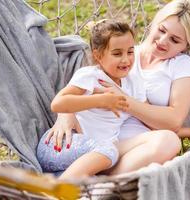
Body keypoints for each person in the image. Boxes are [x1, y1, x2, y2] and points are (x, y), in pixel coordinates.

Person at [41, 0, 190, 176]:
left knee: (166, 142)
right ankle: (69, 186)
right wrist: (66, 114)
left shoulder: (174, 66)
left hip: (119, 147)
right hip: (86, 143)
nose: (163, 41)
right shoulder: (121, 55)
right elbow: (70, 96)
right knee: (108, 150)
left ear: (186, 46)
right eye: (162, 30)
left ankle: (97, 183)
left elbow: (171, 121)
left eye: (175, 40)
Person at [37, 19, 147, 179]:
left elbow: (149, 118)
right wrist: (101, 100)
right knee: (110, 150)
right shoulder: (91, 76)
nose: (126, 59)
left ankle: (53, 183)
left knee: (95, 178)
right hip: (59, 146)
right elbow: (58, 104)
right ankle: (55, 193)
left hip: (86, 157)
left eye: (130, 52)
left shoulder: (133, 84)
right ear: (98, 55)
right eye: (117, 53)